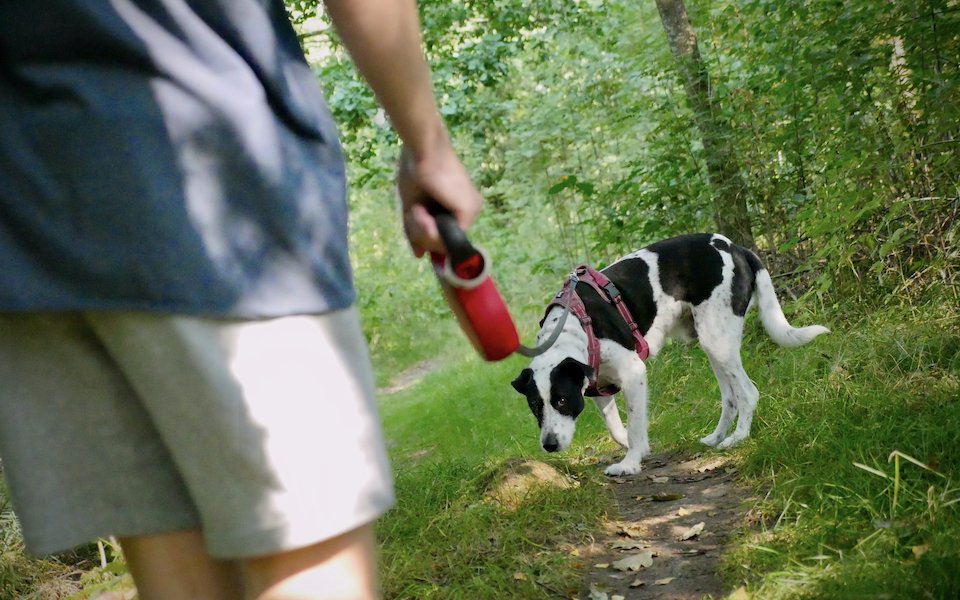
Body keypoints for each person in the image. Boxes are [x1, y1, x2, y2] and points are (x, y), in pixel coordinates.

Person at [0, 0, 482, 599]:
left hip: (29, 221)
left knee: (177, 571)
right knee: (306, 563)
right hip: (215, 189)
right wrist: (428, 146)